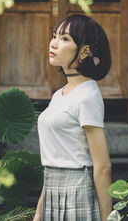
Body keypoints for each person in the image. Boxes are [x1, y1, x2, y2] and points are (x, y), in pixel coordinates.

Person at [33, 14, 112, 221]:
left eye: (65, 38)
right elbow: (55, 158)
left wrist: (107, 219)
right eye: (54, 36)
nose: (54, 43)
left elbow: (102, 166)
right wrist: (39, 212)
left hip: (76, 193)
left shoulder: (87, 95)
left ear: (85, 50)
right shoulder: (59, 95)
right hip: (51, 190)